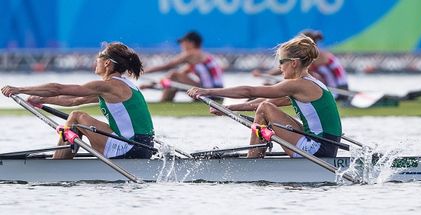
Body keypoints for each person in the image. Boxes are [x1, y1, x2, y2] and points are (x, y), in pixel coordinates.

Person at [187, 35, 342, 158]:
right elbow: (267, 100)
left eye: (281, 62)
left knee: (264, 109)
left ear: (294, 63)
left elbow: (250, 91)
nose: (279, 67)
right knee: (265, 107)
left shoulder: (297, 85)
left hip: (317, 150)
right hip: (326, 147)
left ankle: (253, 162)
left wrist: (208, 91)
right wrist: (228, 108)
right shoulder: (310, 84)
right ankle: (257, 155)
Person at [1, 42, 155, 159]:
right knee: (76, 116)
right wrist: (41, 99)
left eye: (98, 59)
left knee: (76, 117)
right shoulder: (124, 86)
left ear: (107, 63)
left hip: (131, 148)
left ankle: (57, 167)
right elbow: (73, 100)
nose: (96, 62)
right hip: (144, 147)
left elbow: (58, 88)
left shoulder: (108, 86)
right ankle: (62, 160)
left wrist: (19, 89)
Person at [253, 30, 349, 101]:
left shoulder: (318, 56)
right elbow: (291, 68)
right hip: (332, 88)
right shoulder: (313, 55)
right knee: (284, 85)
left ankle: (257, 100)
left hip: (339, 90)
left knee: (286, 87)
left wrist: (267, 76)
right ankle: (258, 98)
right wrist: (267, 76)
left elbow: (290, 68)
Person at [140, 31, 224, 102]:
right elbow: (170, 78)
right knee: (174, 77)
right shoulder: (199, 58)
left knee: (174, 75)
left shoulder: (193, 54)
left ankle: (163, 103)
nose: (181, 45)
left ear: (191, 43)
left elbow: (168, 66)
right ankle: (165, 102)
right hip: (217, 94)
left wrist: (141, 72)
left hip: (212, 94)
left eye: (183, 42)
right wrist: (151, 85)